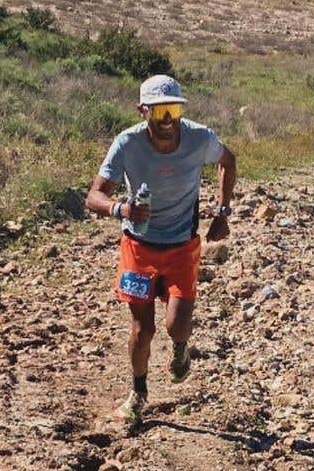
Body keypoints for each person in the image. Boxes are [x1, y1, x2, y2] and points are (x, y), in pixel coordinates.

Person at [85, 74, 237, 427]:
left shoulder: (200, 137)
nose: (168, 120)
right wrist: (120, 209)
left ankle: (181, 351)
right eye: (160, 112)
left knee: (177, 324)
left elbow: (228, 160)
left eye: (174, 110)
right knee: (143, 329)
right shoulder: (127, 143)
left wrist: (222, 212)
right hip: (138, 248)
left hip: (183, 246)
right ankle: (138, 394)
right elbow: (94, 195)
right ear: (143, 111)